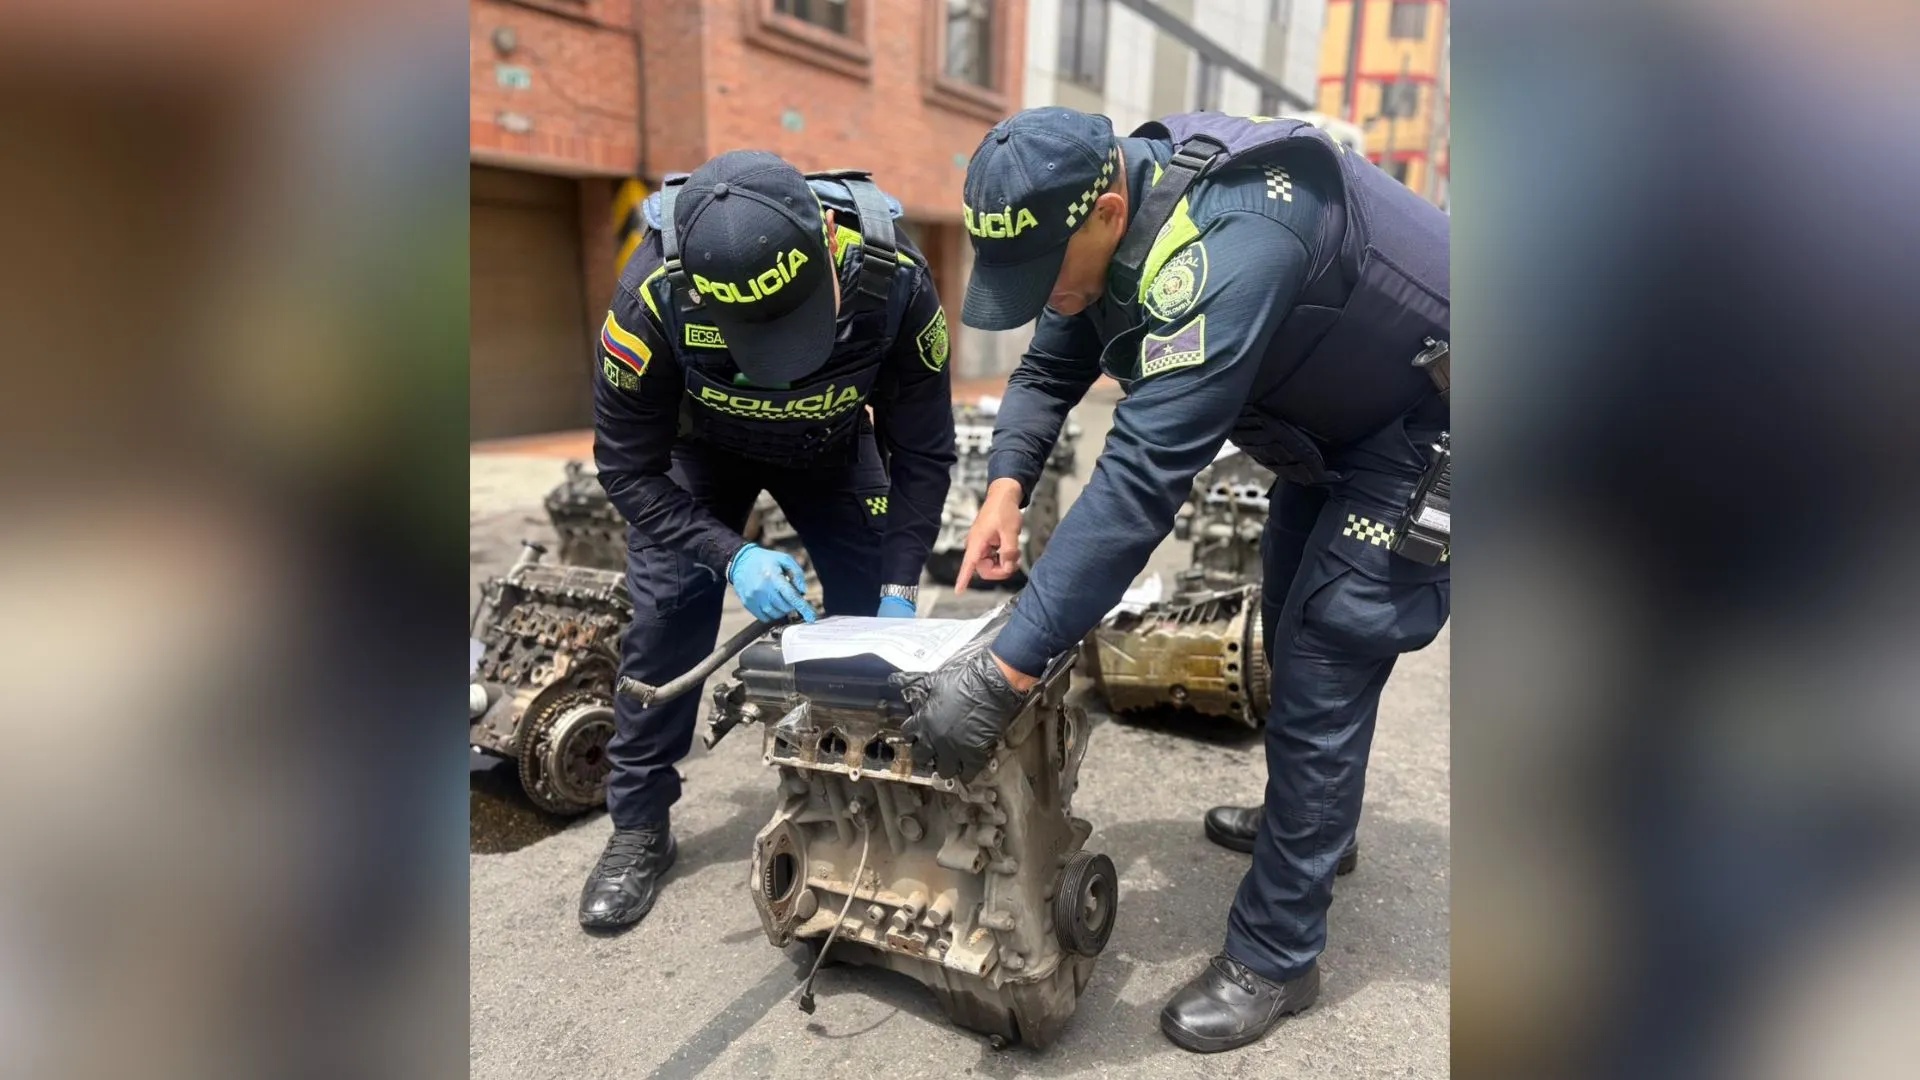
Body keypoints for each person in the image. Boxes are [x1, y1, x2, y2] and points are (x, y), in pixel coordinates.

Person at [901, 107, 1449, 1052]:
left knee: (1329, 648)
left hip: (1429, 428)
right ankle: (1316, 832)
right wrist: (1005, 490)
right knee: (1287, 608)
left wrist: (1005, 672)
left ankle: (1279, 955)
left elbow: (1138, 484)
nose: (1044, 297)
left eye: (1044, 274)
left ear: (1108, 209)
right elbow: (1052, 356)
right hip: (1340, 430)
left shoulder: (1235, 245)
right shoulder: (1115, 225)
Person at [583, 150, 956, 931]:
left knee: (873, 624)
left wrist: (899, 586)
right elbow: (624, 470)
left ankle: (874, 796)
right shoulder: (650, 298)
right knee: (665, 620)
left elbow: (923, 452)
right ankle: (639, 826)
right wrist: (732, 553)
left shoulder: (894, 284)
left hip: (828, 448)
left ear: (825, 233)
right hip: (698, 456)